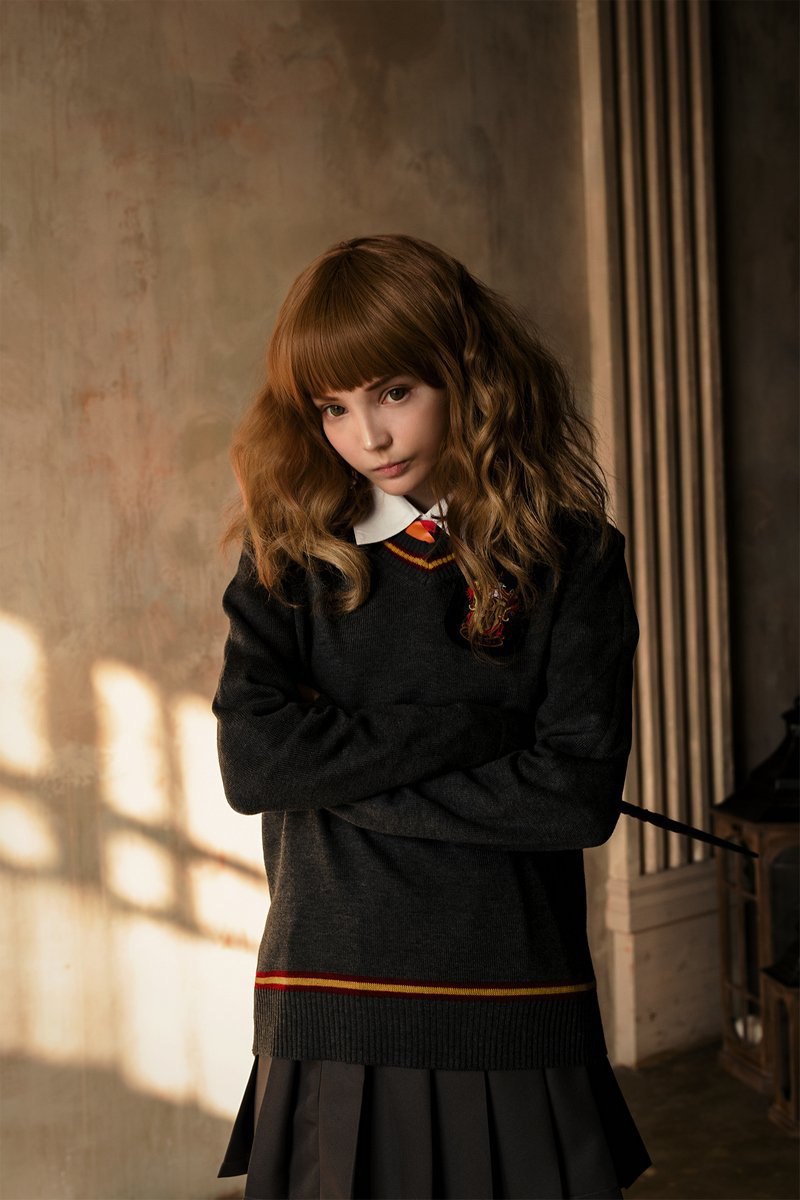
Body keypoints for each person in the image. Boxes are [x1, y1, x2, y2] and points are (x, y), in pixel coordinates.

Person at [212, 234, 652, 1199]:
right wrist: (474, 730)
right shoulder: (289, 557)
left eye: (395, 391)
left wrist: (334, 773)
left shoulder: (573, 557)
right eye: (333, 407)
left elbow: (573, 801)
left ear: (469, 375)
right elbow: (255, 768)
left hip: (515, 992)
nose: (367, 436)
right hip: (328, 992)